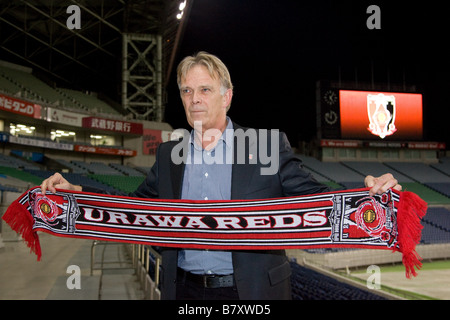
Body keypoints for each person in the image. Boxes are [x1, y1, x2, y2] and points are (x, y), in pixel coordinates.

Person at [41, 51, 401, 300]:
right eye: (186, 91)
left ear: (227, 97)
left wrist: (367, 195)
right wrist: (77, 193)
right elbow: (134, 211)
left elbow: (314, 200)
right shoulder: (168, 154)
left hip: (251, 292)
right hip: (183, 289)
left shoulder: (266, 147)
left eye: (205, 89)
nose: (194, 99)